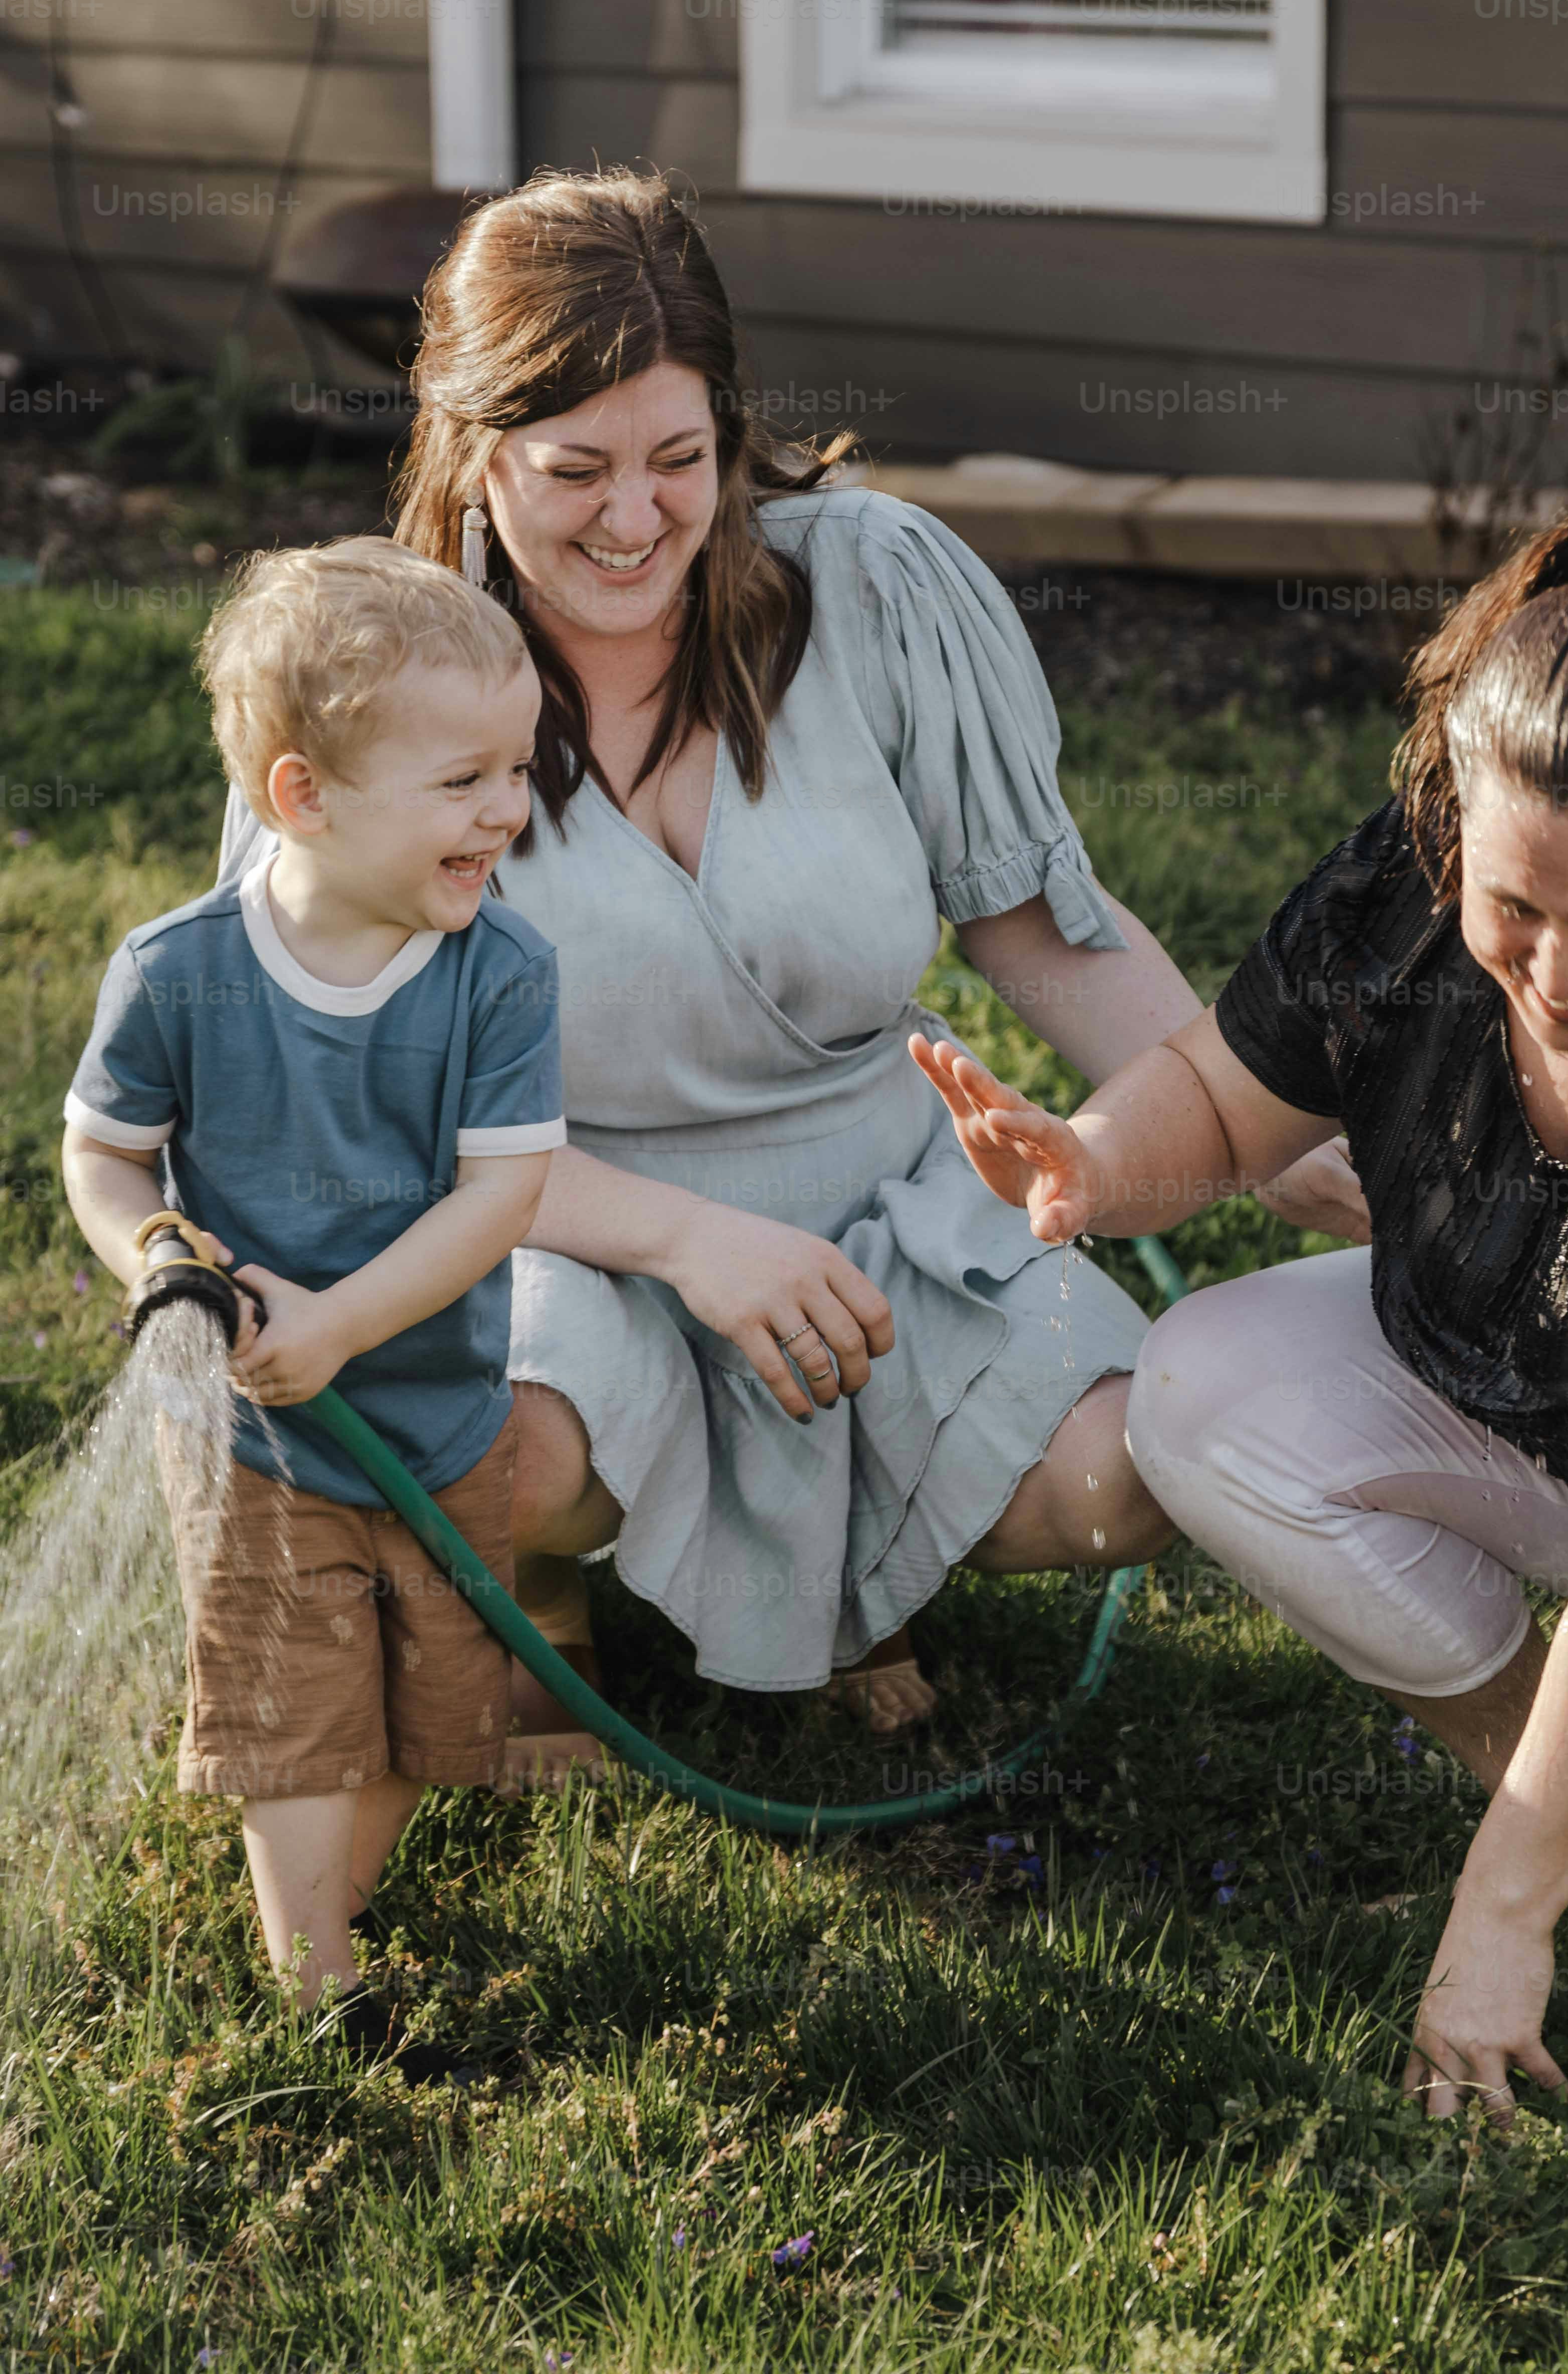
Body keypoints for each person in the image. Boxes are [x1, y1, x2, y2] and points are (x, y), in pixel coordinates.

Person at [218, 167, 1360, 1770]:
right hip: (527, 1220)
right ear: (473, 450)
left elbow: (1029, 920)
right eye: (575, 470)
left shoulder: (875, 586)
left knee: (1120, 1481)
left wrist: (1264, 1124)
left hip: (869, 1192)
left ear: (730, 426)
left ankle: (841, 1560)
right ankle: (537, 1574)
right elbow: (337, 1098)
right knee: (493, 1452)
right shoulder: (364, 669)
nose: (635, 521)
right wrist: (686, 1242)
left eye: (679, 458)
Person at [912, 508, 1568, 2120]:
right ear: (1453, 837)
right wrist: (1087, 1166)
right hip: (1556, 1407)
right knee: (1209, 1387)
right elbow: (1225, 1113)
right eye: (1516, 908)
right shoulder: (1409, 883)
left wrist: (1494, 1927)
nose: (1558, 972)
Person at [63, 537, 565, 2078]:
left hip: (437, 1412)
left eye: (521, 768)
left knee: (436, 1694)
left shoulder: (499, 977)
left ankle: (340, 1889)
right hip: (259, 1446)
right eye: (466, 779)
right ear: (304, 799)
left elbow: (502, 1199)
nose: (509, 809)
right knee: (293, 1704)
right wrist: (152, 1253)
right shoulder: (180, 971)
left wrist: (342, 1323)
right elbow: (101, 1150)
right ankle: (317, 1979)